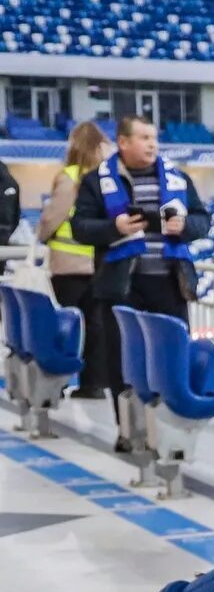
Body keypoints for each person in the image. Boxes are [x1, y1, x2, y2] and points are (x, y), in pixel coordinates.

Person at [72, 114, 211, 423]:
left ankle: (170, 425)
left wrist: (185, 225)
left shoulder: (177, 178)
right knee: (122, 359)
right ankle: (128, 428)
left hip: (170, 284)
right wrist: (114, 227)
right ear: (123, 142)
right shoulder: (96, 181)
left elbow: (203, 221)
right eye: (144, 138)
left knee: (172, 357)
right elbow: (79, 227)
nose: (152, 144)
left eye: (154, 138)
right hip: (122, 285)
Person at [34, 120, 111, 396]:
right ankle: (94, 383)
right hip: (100, 263)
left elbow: (52, 217)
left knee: (66, 325)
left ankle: (59, 380)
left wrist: (40, 236)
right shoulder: (107, 178)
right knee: (96, 326)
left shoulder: (70, 177)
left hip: (69, 264)